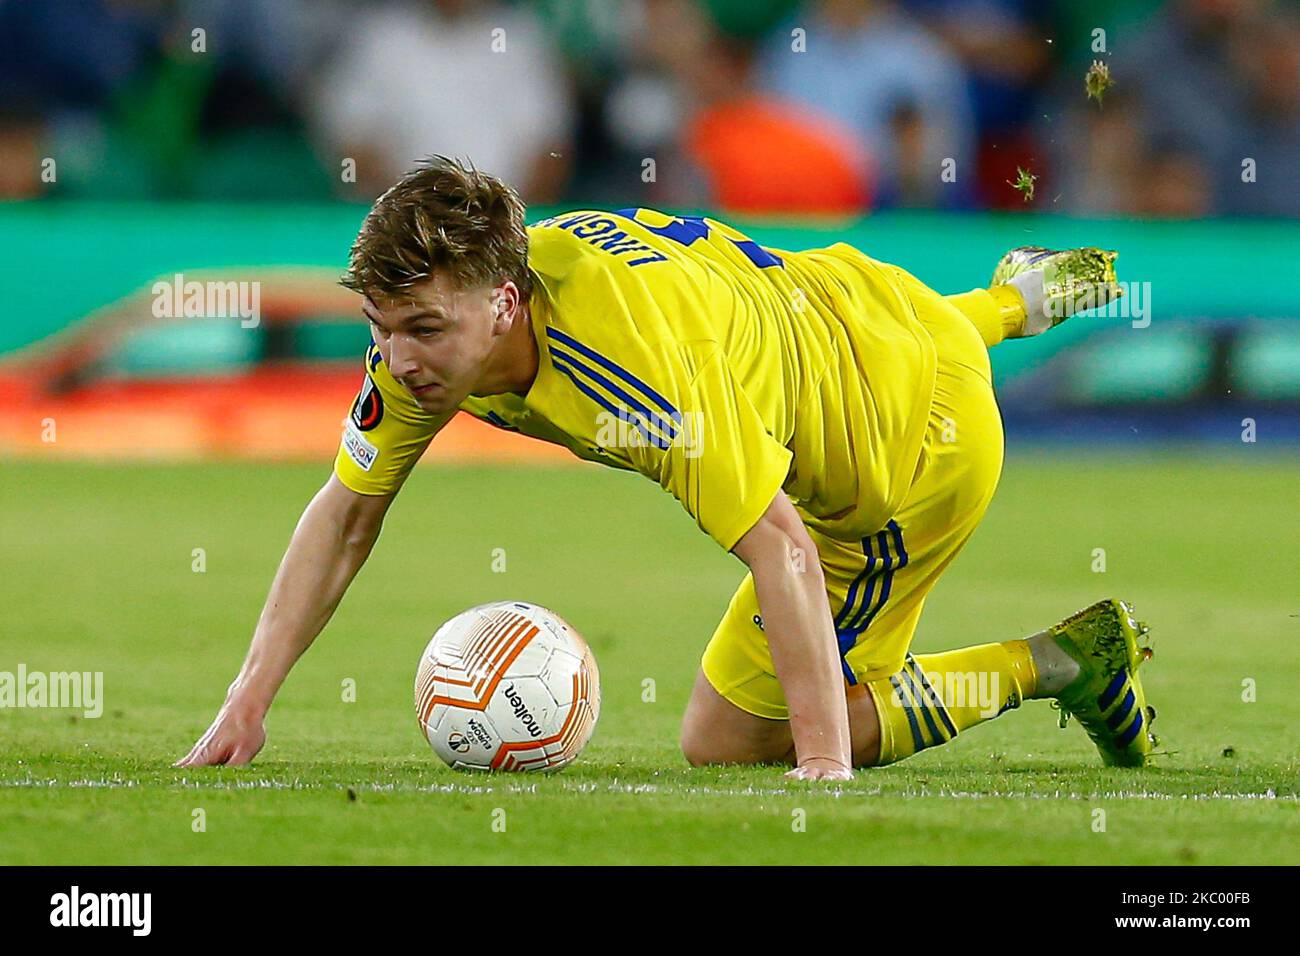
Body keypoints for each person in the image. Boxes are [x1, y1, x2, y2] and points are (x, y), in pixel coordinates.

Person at [177, 156, 1158, 780]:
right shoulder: (432, 339)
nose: (398, 359)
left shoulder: (635, 372)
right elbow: (346, 511)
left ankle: (1060, 660)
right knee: (879, 339)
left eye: (423, 329)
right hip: (860, 299)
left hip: (908, 452)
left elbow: (780, 542)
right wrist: (247, 698)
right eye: (381, 329)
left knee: (729, 740)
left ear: (507, 306)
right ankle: (1009, 300)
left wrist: (820, 762)